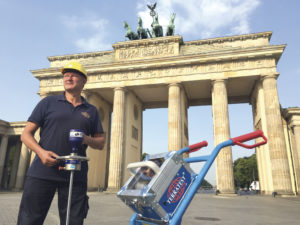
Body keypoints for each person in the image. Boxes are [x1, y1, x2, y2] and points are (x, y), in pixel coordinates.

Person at [17, 61, 105, 225]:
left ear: (84, 80)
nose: (68, 77)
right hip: (42, 171)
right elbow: (26, 135)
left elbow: (100, 143)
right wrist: (41, 153)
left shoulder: (91, 110)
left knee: (73, 221)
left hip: (75, 173)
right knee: (29, 220)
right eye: (65, 75)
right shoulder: (48, 102)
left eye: (73, 74)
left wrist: (86, 139)